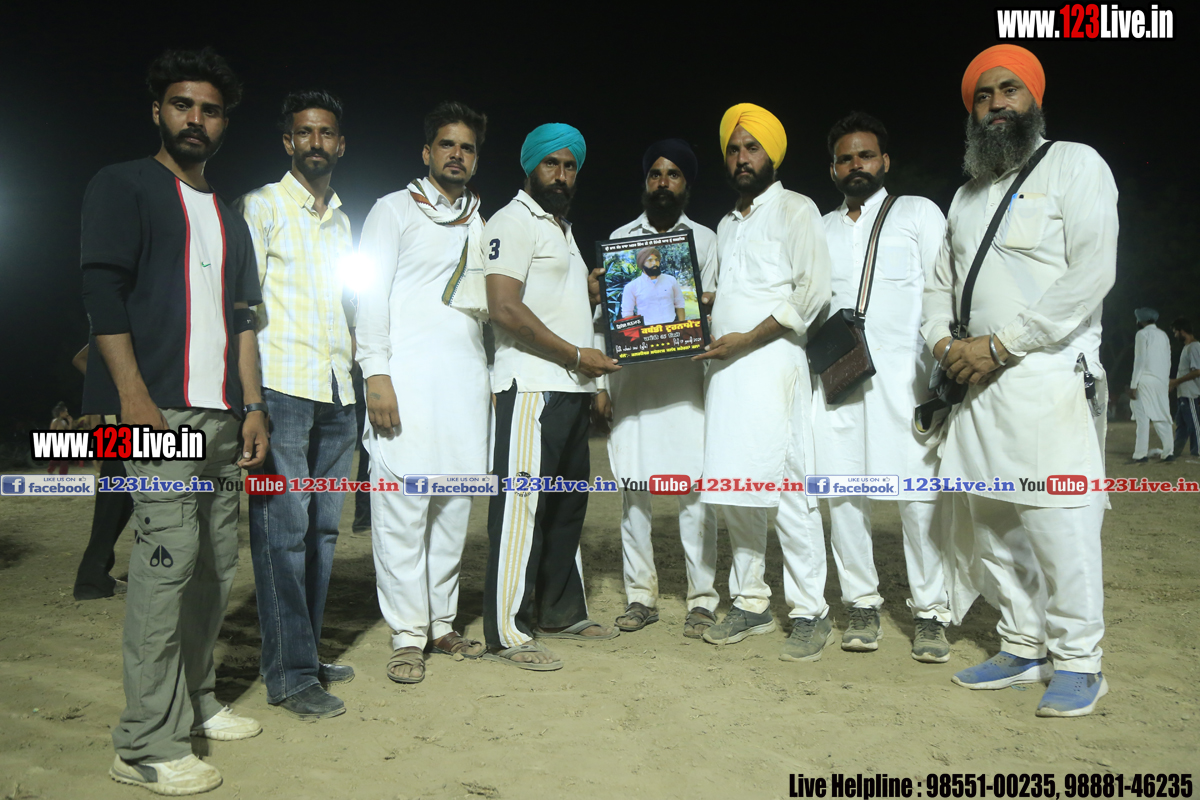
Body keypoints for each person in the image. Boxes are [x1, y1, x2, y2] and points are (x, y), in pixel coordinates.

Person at [81, 48, 267, 794]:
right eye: (183, 104)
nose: (196, 119)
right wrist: (131, 397)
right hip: (156, 410)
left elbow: (244, 320)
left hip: (221, 417)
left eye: (210, 110)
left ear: (223, 123)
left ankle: (196, 702)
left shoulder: (228, 216)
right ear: (158, 110)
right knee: (166, 569)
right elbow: (102, 295)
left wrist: (252, 406)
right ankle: (143, 743)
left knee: (215, 567)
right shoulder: (122, 184)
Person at [922, 44, 1116, 717]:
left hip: (1046, 377)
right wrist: (945, 343)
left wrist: (1002, 346)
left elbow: (1091, 274)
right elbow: (939, 287)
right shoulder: (965, 195)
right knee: (992, 524)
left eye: (1009, 90)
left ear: (1034, 98)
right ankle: (1022, 644)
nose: (996, 103)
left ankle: (1080, 661)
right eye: (983, 95)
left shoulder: (1076, 164)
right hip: (975, 385)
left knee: (1059, 524)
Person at [356, 101, 493, 684]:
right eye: (447, 144)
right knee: (402, 514)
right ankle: (408, 634)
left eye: (467, 147)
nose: (457, 155)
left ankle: (441, 623)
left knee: (452, 511)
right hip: (404, 384)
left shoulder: (482, 222)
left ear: (476, 159)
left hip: (464, 388)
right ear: (427, 152)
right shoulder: (392, 210)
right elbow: (369, 296)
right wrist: (376, 374)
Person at [694, 104, 835, 662]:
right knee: (737, 490)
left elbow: (812, 293)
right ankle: (750, 601)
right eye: (733, 149)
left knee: (789, 489)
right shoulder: (727, 225)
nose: (741, 158)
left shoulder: (797, 209)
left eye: (752, 147)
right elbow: (726, 293)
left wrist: (747, 339)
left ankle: (810, 611)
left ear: (772, 154)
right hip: (726, 374)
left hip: (775, 367)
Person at [812, 112, 952, 661]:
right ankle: (861, 605)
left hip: (907, 381)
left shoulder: (917, 213)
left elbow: (944, 290)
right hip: (840, 380)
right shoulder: (820, 228)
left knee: (920, 499)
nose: (856, 165)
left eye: (865, 155)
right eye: (845, 158)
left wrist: (944, 371)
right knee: (844, 493)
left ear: (885, 161)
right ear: (833, 169)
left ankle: (931, 613)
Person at [482, 123, 621, 670]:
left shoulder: (561, 228)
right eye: (551, 164)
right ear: (530, 166)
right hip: (531, 386)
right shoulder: (512, 221)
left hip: (570, 388)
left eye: (569, 166)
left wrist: (587, 294)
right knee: (521, 510)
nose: (561, 175)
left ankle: (560, 612)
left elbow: (552, 299)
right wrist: (575, 355)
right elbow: (504, 307)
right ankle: (507, 633)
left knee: (565, 506)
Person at [237, 90, 357, 719]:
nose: (316, 142)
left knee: (323, 532)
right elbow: (241, 310)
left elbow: (347, 306)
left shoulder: (342, 221)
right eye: (305, 132)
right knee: (281, 533)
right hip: (281, 388)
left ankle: (304, 652)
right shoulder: (261, 205)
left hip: (338, 390)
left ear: (341, 144)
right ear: (288, 141)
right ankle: (288, 675)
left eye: (326, 133)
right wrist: (251, 401)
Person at [595, 139, 720, 638]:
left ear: (686, 184)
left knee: (695, 494)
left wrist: (708, 306)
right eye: (655, 174)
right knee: (634, 491)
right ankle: (640, 596)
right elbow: (608, 321)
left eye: (673, 175)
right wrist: (601, 385)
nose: (663, 183)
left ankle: (702, 599)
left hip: (689, 385)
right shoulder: (620, 240)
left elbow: (710, 309)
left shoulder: (705, 240)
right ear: (645, 182)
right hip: (634, 387)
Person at [70, 343, 134, 600]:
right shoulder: (120, 329)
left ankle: (94, 577)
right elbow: (80, 358)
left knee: (118, 505)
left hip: (120, 427)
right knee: (116, 506)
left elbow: (80, 358)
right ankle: (91, 579)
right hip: (124, 427)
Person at [1129, 308, 1173, 463]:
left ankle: (1140, 455)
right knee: (1162, 416)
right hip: (1161, 381)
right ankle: (1169, 452)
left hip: (1145, 380)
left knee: (1143, 418)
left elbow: (1140, 360)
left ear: (1140, 320)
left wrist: (1133, 384)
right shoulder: (1164, 335)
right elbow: (1168, 360)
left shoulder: (1142, 334)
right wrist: (1165, 382)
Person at [619, 246, 686, 324]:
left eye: (656, 260)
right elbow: (627, 313)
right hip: (647, 328)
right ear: (642, 263)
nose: (654, 263)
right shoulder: (631, 287)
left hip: (672, 326)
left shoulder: (671, 280)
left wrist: (682, 326)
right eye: (650, 260)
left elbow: (680, 304)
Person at [1170, 317, 1200, 458]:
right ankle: (1175, 451)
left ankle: (1197, 451)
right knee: (1181, 426)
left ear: (1182, 331)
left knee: (1194, 424)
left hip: (1191, 394)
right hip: (1183, 394)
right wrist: (1175, 384)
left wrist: (1176, 381)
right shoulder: (1187, 347)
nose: (1175, 335)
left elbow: (1197, 371)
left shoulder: (1194, 347)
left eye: (1175, 332)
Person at [46, 402, 73, 475]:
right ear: (61, 413)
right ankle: (50, 471)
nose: (67, 413)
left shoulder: (64, 422)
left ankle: (63, 474)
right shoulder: (55, 421)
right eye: (66, 412)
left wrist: (70, 422)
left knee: (64, 460)